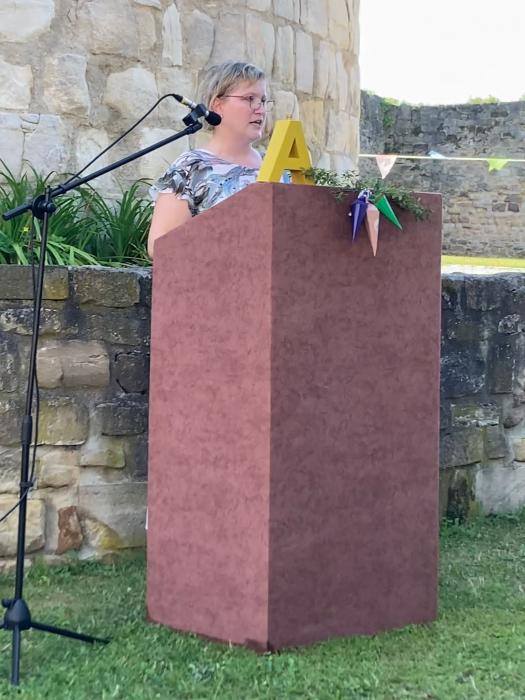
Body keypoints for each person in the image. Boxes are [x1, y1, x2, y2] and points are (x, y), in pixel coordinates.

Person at [148, 61, 285, 258]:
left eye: (263, 101)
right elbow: (160, 246)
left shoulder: (279, 167)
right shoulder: (191, 167)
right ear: (218, 106)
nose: (261, 110)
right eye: (250, 99)